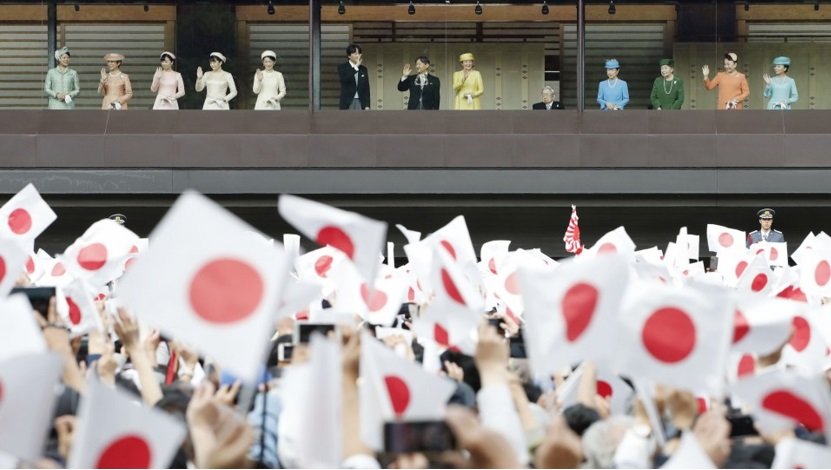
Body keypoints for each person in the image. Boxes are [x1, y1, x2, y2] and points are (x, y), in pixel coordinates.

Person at [338, 44, 370, 110]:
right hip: (348, 101)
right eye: (355, 54)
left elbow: (366, 88)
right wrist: (356, 67)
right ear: (349, 56)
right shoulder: (343, 67)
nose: (357, 56)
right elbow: (345, 79)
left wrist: (367, 105)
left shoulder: (363, 69)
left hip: (361, 101)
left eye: (359, 53)